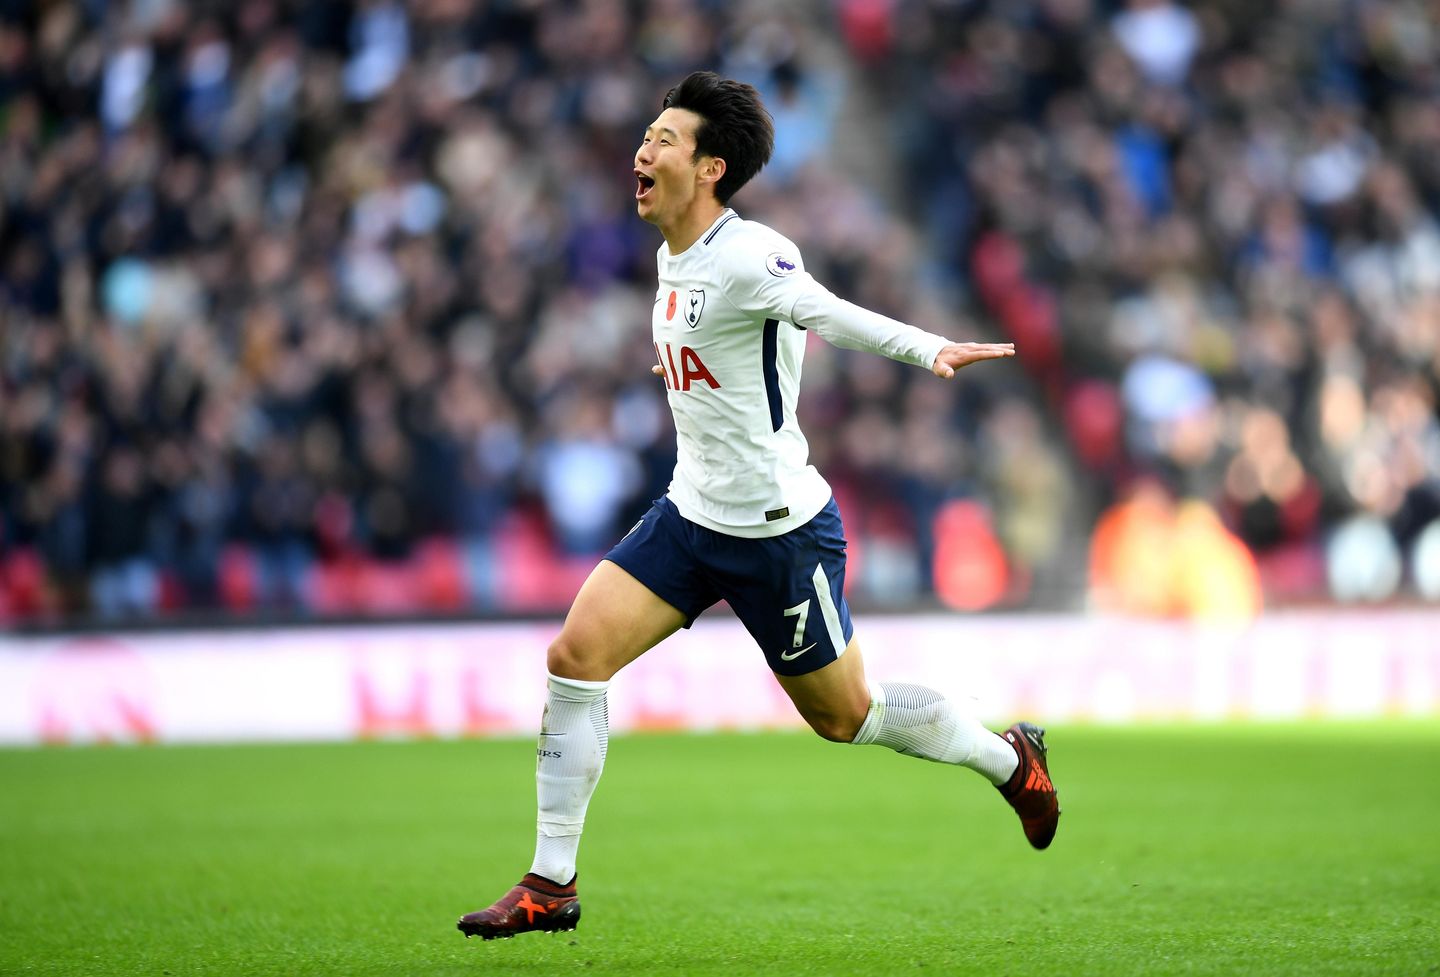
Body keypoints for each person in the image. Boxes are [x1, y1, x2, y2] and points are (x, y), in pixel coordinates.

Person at [457, 72, 1059, 941]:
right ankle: (551, 883)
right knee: (575, 655)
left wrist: (930, 349)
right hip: (690, 516)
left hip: (780, 537)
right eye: (648, 133)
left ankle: (1012, 761)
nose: (643, 148)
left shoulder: (751, 254)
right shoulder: (671, 256)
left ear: (710, 167)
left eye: (665, 138)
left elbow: (825, 311)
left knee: (847, 716)